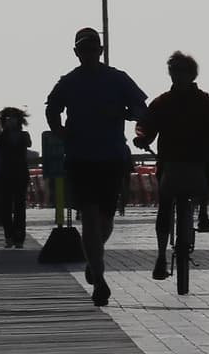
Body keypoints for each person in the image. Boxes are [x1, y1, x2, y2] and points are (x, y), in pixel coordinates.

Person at [45, 27, 148, 307]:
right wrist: (59, 130)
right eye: (84, 49)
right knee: (89, 215)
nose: (88, 53)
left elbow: (142, 108)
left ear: (100, 51)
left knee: (105, 219)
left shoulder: (118, 79)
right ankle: (99, 278)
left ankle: (94, 257)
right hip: (80, 158)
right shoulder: (68, 82)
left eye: (93, 49)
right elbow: (52, 106)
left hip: (112, 157)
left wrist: (125, 113)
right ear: (77, 52)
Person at [134, 51, 209, 280]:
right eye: (175, 71)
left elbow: (146, 124)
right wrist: (142, 137)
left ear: (191, 74)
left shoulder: (182, 101)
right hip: (182, 161)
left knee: (168, 200)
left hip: (178, 162)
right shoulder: (197, 101)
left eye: (181, 72)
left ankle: (201, 213)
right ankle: (161, 254)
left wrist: (143, 137)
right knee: (169, 201)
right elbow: (146, 125)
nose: (178, 76)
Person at [0, 107, 33, 248]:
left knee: (20, 207)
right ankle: (9, 236)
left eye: (14, 117)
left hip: (21, 174)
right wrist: (4, 132)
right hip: (6, 174)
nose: (11, 120)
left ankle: (19, 238)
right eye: (8, 118)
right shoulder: (1, 135)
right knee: (5, 207)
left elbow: (28, 143)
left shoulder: (24, 135)